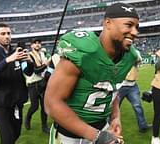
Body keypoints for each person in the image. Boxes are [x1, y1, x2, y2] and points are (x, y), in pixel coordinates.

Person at [45, 2, 140, 144]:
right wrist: (95, 136)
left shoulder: (129, 56)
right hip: (69, 136)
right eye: (129, 25)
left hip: (102, 128)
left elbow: (111, 89)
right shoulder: (84, 52)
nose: (135, 32)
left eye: (137, 27)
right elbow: (52, 103)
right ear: (108, 23)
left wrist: (115, 117)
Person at [0, 23, 34, 144]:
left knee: (16, 133)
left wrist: (29, 62)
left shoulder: (17, 52)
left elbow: (28, 72)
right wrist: (8, 60)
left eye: (9, 33)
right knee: (7, 138)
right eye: (3, 33)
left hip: (16, 101)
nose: (7, 36)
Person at [118, 49, 151, 133]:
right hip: (120, 86)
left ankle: (143, 126)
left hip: (132, 85)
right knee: (114, 109)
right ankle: (107, 129)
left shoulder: (135, 52)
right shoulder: (119, 51)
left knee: (138, 106)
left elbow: (139, 60)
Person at [24, 39, 50, 133]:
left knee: (44, 106)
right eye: (35, 43)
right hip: (33, 83)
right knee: (34, 106)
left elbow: (46, 69)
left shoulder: (43, 54)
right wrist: (46, 64)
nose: (37, 44)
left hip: (42, 82)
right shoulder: (29, 55)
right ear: (31, 46)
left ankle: (44, 126)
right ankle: (27, 118)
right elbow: (36, 70)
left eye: (39, 43)